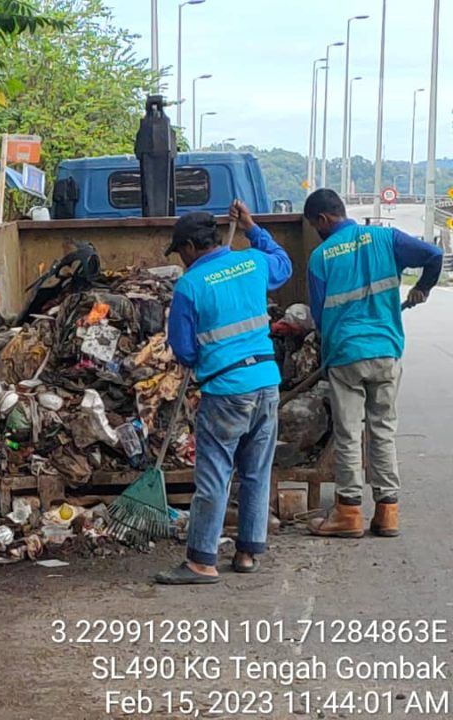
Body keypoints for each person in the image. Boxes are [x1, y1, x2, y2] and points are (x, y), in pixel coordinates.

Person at [156, 202, 292, 585]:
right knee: (255, 472)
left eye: (180, 252)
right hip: (266, 383)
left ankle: (202, 561)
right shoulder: (254, 263)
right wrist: (253, 228)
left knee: (215, 475)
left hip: (225, 389)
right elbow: (283, 262)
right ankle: (248, 552)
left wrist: (204, 360)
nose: (181, 260)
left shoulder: (190, 285)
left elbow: (182, 349)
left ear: (188, 247)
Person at [304, 189, 442, 539]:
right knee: (383, 429)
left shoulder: (321, 257)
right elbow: (434, 254)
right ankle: (387, 512)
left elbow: (319, 318)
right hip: (385, 350)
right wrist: (423, 287)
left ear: (323, 219)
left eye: (314, 225)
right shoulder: (386, 237)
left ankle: (349, 512)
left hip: (346, 354)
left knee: (350, 432)